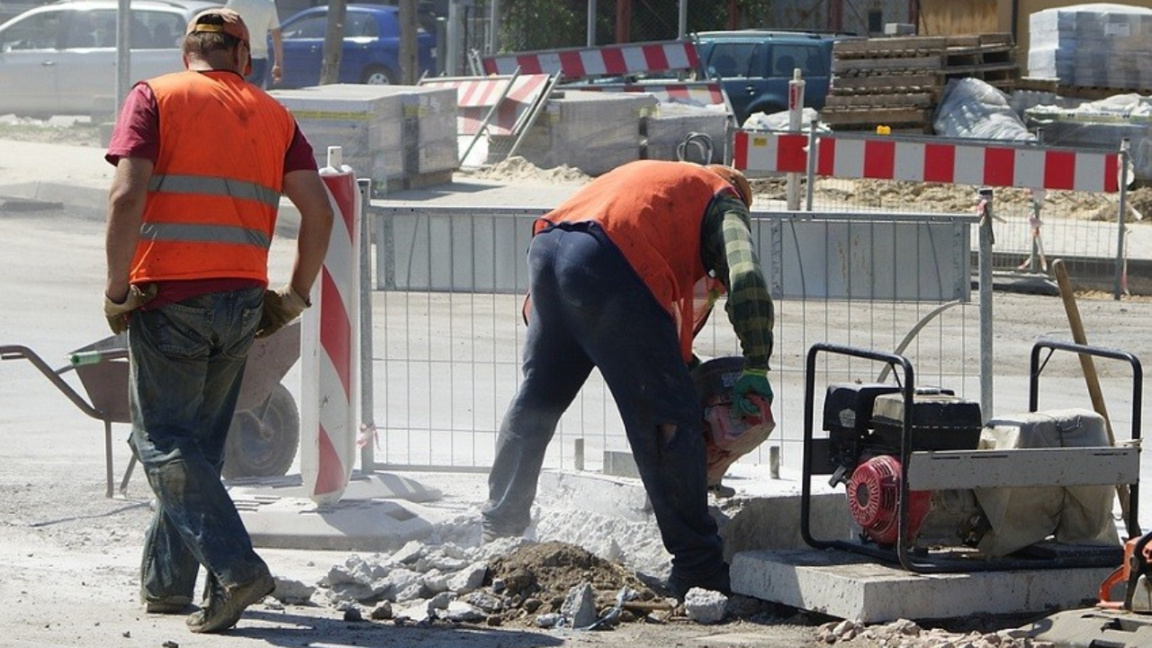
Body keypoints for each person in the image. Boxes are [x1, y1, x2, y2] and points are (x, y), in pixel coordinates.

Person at [102, 8, 333, 634]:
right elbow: (319, 211)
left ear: (188, 52)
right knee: (195, 447)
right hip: (242, 301)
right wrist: (294, 295)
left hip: (170, 297)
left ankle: (236, 569)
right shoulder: (274, 114)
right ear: (243, 59)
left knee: (160, 442)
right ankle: (168, 587)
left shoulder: (155, 96)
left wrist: (118, 289)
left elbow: (127, 195)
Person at [481, 160, 775, 599]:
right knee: (667, 421)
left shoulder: (659, 185)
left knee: (537, 401)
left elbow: (652, 334)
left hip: (550, 251)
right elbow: (746, 276)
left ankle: (499, 533)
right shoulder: (723, 199)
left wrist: (682, 370)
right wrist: (756, 363)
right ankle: (698, 566)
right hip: (612, 259)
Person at [224, 0, 283, 87]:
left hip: (239, 57)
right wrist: (278, 63)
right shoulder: (269, 4)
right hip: (259, 60)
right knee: (255, 96)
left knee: (237, 95)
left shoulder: (236, 2)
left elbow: (223, 23)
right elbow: (276, 34)